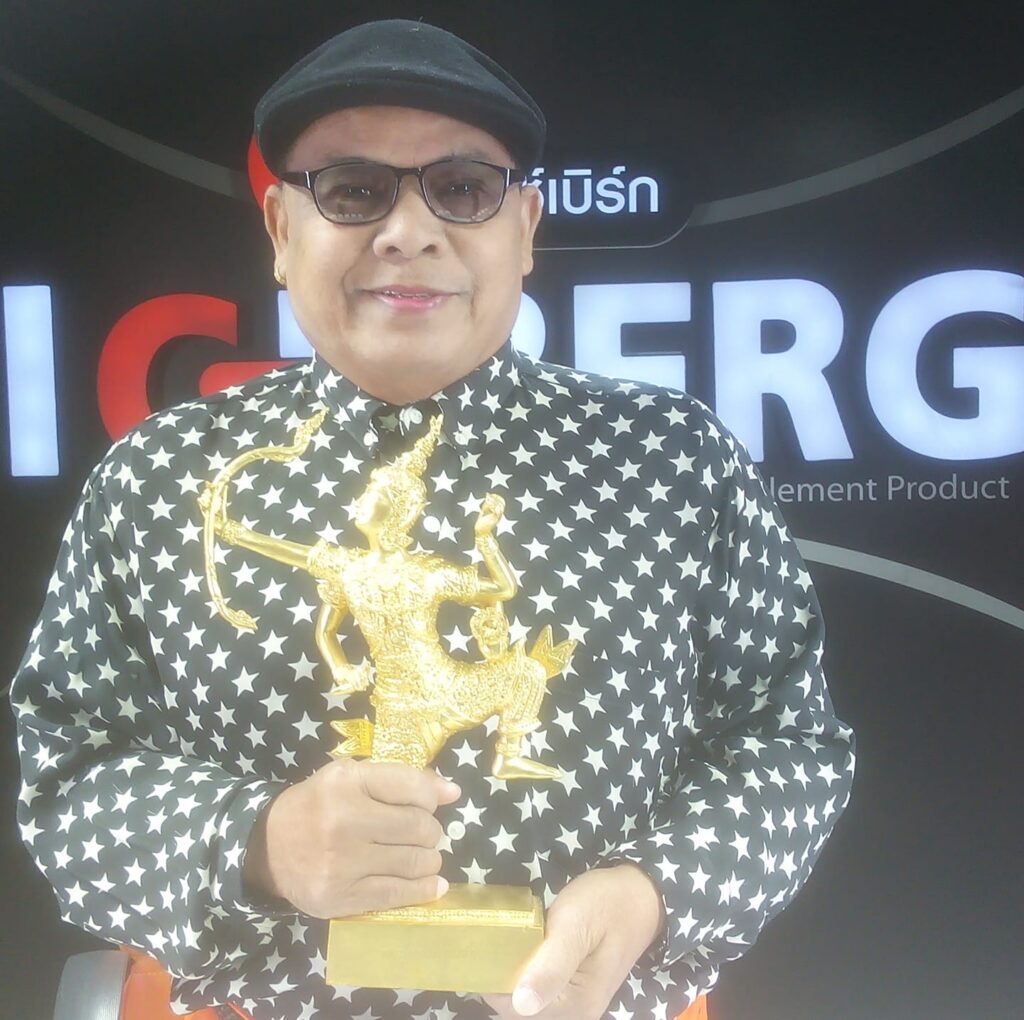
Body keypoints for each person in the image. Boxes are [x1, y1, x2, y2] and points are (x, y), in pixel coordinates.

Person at [11, 19, 855, 1020]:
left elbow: (785, 744)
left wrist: (653, 893)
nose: (408, 232)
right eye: (353, 190)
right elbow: (68, 775)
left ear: (525, 228)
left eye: (461, 188)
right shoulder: (157, 478)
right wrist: (256, 842)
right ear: (281, 231)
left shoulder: (675, 459)